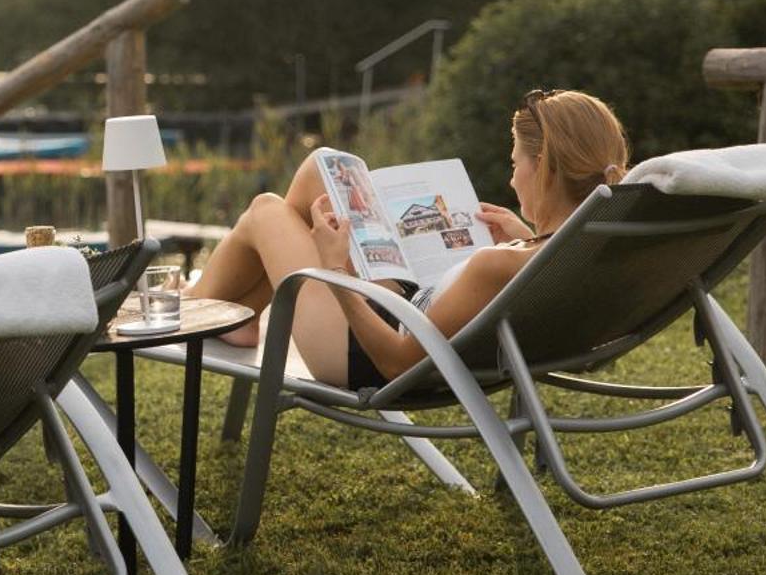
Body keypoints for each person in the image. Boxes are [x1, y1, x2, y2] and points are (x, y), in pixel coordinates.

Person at [192, 89, 629, 388]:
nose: (511, 178)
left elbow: (397, 363)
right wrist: (527, 237)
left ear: (547, 169)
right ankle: (241, 311)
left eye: (515, 164)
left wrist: (331, 269)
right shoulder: (585, 252)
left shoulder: (498, 265)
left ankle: (200, 306)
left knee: (267, 210)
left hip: (362, 352)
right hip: (409, 309)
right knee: (324, 165)